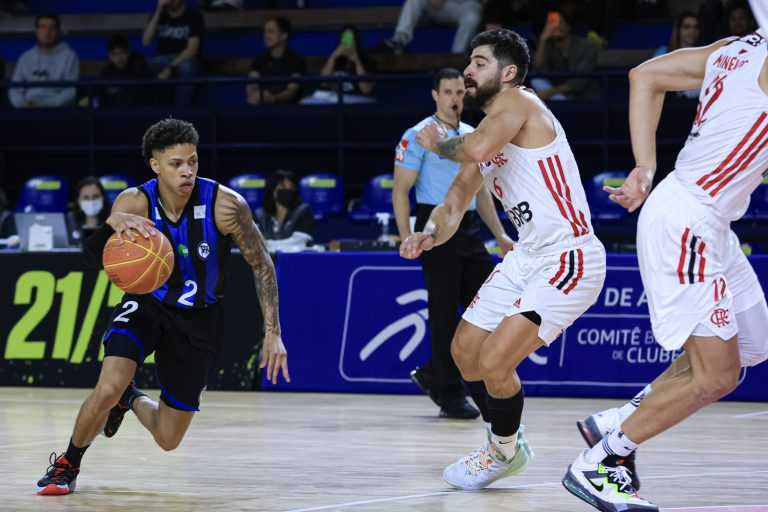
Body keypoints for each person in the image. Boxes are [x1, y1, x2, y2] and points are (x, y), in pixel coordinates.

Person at [562, 30, 768, 512]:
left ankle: (618, 419)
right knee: (716, 376)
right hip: (688, 222)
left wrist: (644, 167)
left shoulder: (734, 48)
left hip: (708, 220)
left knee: (753, 345)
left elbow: (646, 75)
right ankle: (601, 461)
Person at [35, 118, 289, 496]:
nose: (187, 171)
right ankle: (68, 464)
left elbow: (262, 264)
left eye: (193, 161)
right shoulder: (134, 202)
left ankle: (131, 398)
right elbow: (91, 257)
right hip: (147, 305)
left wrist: (273, 333)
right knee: (107, 386)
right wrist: (110, 225)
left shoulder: (226, 205)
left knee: (168, 439)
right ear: (155, 165)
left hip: (200, 318)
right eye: (176, 164)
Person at [400, 29, 606, 490]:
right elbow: (453, 204)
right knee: (464, 352)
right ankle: (507, 441)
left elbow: (471, 148)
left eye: (479, 63)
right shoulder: (488, 136)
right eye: (468, 62)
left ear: (508, 73)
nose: (468, 71)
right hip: (527, 255)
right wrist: (428, 233)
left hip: (568, 255)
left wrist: (435, 142)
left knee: (495, 360)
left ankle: (502, 451)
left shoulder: (520, 102)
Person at [394, 67, 514, 420]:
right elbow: (400, 191)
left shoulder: (471, 136)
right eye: (448, 92)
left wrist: (499, 234)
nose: (455, 98)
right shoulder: (418, 135)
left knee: (492, 305)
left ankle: (433, 372)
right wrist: (406, 235)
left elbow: (481, 191)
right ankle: (448, 393)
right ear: (435, 95)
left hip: (469, 226)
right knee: (444, 313)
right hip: (434, 226)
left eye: (460, 92)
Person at [8, 13, 79, 108]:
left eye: (52, 28)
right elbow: (14, 89)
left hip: (55, 110)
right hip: (26, 108)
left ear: (58, 32)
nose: (47, 32)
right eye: (43, 27)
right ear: (37, 31)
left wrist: (45, 105)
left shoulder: (69, 56)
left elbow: (71, 92)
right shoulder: (25, 57)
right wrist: (22, 104)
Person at [142, 0, 204, 106]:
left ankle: (182, 111)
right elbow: (146, 41)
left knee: (187, 66)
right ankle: (140, 110)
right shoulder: (159, 15)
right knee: (140, 64)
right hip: (163, 60)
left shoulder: (194, 16)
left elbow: (192, 49)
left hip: (185, 59)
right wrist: (158, 11)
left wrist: (170, 67)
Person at [531, 10, 599, 100]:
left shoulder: (585, 47)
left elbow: (579, 81)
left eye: (560, 23)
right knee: (536, 80)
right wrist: (542, 40)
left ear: (568, 27)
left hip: (585, 99)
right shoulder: (549, 46)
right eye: (552, 24)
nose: (556, 27)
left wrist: (550, 92)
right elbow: (538, 69)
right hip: (558, 97)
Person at [381, 0, 483, 55]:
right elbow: (436, 3)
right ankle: (399, 41)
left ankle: (456, 57)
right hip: (441, 7)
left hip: (467, 7)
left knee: (472, 16)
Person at [246, 17, 306, 106]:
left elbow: (292, 91)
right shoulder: (259, 60)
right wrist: (254, 96)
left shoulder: (297, 60)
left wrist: (272, 98)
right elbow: (251, 85)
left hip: (289, 109)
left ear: (283, 36)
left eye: (271, 31)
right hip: (262, 108)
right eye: (265, 31)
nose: (265, 35)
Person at [254, 169, 315, 253]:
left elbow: (300, 242)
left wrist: (267, 244)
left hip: (293, 259)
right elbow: (253, 242)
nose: (287, 189)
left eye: (291, 186)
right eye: (283, 187)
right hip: (265, 260)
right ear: (273, 190)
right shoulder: (260, 215)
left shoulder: (304, 211)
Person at [655, 12, 702, 99]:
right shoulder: (663, 52)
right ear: (678, 30)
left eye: (696, 27)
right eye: (687, 27)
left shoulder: (705, 54)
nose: (692, 31)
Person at [318, 26, 375, 98]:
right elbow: (323, 83)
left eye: (350, 38)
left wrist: (357, 62)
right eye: (345, 38)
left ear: (356, 41)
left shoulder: (368, 61)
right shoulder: (334, 60)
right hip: (333, 98)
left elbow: (366, 90)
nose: (347, 42)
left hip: (356, 99)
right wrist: (333, 57)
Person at [96, 34, 152, 107]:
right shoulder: (106, 72)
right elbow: (101, 99)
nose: (119, 58)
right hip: (114, 113)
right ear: (109, 55)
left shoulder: (140, 67)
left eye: (123, 52)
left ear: (128, 52)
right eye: (115, 54)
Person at [65, 176, 110, 246]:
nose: (91, 201)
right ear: (78, 201)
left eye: (95, 196)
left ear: (103, 197)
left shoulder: (112, 220)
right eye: (86, 198)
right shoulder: (70, 220)